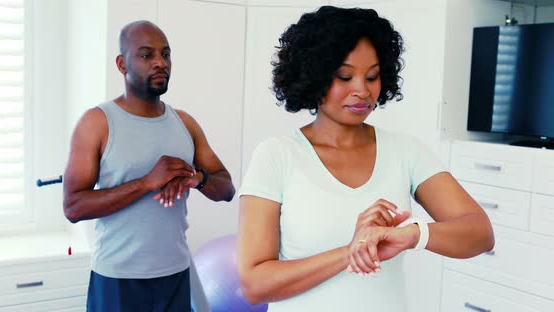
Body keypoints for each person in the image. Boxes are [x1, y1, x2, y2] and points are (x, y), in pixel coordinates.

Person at [236, 6, 494, 311]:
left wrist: (413, 234)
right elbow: (255, 284)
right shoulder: (277, 155)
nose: (362, 90)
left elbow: (480, 233)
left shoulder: (405, 151)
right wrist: (352, 250)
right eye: (344, 76)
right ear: (313, 77)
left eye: (372, 76)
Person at [63, 20, 235, 312]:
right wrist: (146, 182)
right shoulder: (97, 123)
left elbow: (227, 187)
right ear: (122, 64)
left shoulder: (185, 123)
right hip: (118, 279)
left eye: (165, 55)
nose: (160, 63)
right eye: (146, 55)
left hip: (175, 275)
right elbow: (73, 207)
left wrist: (197, 178)